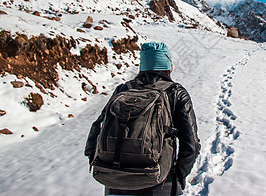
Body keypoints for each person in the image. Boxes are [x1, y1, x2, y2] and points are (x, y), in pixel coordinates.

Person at [85, 42, 200, 195]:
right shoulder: (176, 92)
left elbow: (97, 128)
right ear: (167, 64)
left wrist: (102, 165)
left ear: (143, 64)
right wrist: (178, 176)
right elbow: (191, 144)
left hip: (114, 180)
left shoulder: (123, 89)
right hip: (159, 182)